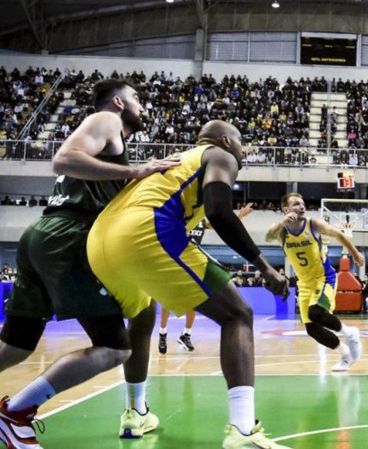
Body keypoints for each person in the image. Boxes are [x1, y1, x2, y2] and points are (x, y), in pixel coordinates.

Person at [86, 120, 290, 448]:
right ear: (225, 140)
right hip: (146, 233)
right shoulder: (220, 156)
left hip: (100, 243)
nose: (242, 151)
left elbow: (204, 214)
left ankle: (135, 411)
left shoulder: (179, 161)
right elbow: (220, 211)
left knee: (143, 314)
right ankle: (242, 430)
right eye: (240, 144)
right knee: (237, 315)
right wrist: (263, 265)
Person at [0, 79, 178, 448]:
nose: (142, 106)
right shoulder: (106, 120)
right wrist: (135, 172)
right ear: (117, 102)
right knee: (116, 348)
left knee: (16, 345)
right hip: (70, 237)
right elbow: (62, 160)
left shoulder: (110, 146)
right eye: (136, 99)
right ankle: (15, 412)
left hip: (42, 236)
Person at [265, 193, 364, 372]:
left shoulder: (313, 224)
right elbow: (268, 237)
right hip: (304, 284)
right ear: (285, 209)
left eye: (303, 204)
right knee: (312, 329)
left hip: (324, 278)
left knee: (316, 312)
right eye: (296, 204)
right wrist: (283, 222)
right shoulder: (282, 231)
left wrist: (356, 253)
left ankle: (350, 333)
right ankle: (345, 354)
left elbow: (339, 235)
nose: (301, 207)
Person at [158, 203, 253, 354]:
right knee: (167, 303)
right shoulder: (181, 219)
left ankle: (186, 335)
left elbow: (218, 225)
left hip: (192, 264)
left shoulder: (201, 220)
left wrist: (239, 216)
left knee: (194, 302)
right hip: (174, 262)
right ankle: (162, 334)